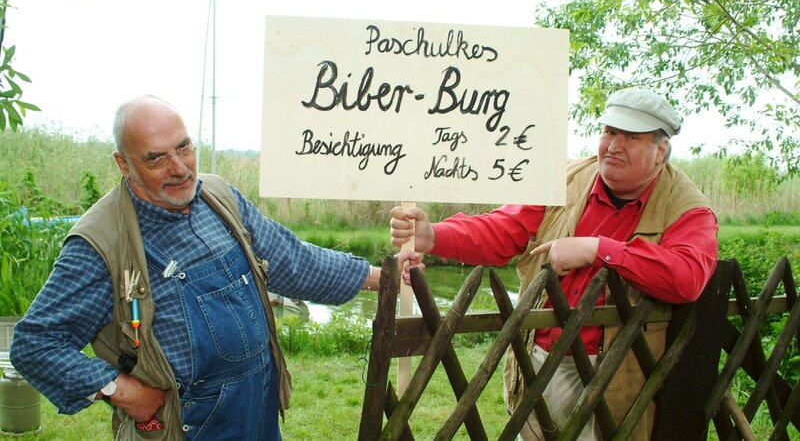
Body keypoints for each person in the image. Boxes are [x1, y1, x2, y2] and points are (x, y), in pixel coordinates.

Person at [10, 94, 421, 440]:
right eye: (156, 159)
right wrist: (121, 389)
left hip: (256, 406)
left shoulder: (218, 197)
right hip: (186, 423)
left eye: (184, 147)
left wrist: (383, 277)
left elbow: (291, 258)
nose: (180, 168)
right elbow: (35, 343)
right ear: (123, 164)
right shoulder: (102, 242)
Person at [390, 88, 718, 440]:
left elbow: (686, 277)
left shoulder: (687, 207)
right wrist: (434, 236)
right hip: (540, 356)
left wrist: (598, 249)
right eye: (609, 132)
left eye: (631, 137)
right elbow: (505, 228)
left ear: (660, 150)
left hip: (619, 369)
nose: (614, 145)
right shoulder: (565, 179)